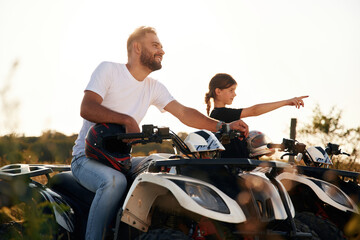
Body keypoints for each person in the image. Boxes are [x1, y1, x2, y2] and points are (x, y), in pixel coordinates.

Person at [71, 26, 249, 240]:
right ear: (137, 47)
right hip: (87, 158)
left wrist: (223, 126)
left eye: (161, 46)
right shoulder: (109, 70)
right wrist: (126, 119)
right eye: (155, 45)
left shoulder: (153, 87)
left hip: (122, 159)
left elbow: (183, 112)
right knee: (114, 182)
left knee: (168, 164)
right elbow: (87, 108)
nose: (162, 51)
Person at [205, 73, 308, 158]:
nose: (234, 94)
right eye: (231, 90)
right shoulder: (219, 114)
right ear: (218, 91)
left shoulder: (221, 115)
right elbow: (254, 111)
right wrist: (286, 102)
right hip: (232, 173)